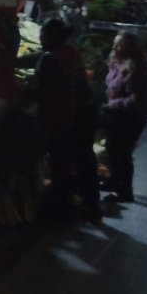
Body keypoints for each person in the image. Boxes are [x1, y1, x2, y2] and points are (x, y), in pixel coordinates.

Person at [35, 19, 99, 219]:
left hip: (65, 119)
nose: (40, 38)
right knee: (84, 162)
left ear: (51, 38)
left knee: (60, 164)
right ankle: (92, 206)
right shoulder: (70, 52)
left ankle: (60, 209)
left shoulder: (50, 60)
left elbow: (43, 92)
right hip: (85, 115)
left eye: (43, 35)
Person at [102, 31, 147, 202]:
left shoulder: (136, 68)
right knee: (112, 148)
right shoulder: (116, 62)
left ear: (129, 48)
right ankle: (115, 182)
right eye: (114, 44)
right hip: (115, 115)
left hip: (130, 118)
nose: (114, 47)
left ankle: (125, 191)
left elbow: (135, 99)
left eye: (119, 45)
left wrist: (113, 104)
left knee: (122, 153)